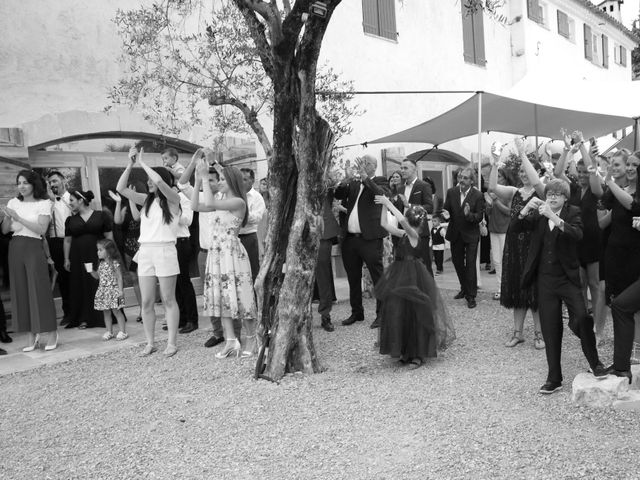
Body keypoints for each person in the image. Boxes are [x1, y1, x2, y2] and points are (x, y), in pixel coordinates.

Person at [514, 179, 606, 394]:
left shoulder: (573, 211)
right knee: (550, 327)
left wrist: (554, 217)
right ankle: (554, 377)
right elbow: (515, 228)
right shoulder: (538, 212)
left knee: (582, 318)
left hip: (567, 277)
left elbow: (578, 234)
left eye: (557, 194)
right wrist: (524, 210)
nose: (552, 197)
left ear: (565, 197)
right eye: (550, 194)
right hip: (545, 279)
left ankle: (595, 364)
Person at [373, 195, 455, 368]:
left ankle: (418, 353)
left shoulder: (413, 235)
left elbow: (401, 221)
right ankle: (405, 351)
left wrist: (388, 204)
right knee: (399, 311)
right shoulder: (404, 234)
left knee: (415, 313)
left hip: (413, 276)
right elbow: (384, 225)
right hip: (400, 274)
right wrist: (383, 206)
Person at [117, 147, 181, 357]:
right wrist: (131, 163)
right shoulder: (146, 201)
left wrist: (144, 163)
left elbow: (162, 183)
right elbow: (121, 188)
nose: (150, 181)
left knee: (168, 298)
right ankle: (150, 342)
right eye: (148, 179)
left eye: (151, 178)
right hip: (146, 251)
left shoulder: (173, 200)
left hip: (165, 250)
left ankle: (171, 342)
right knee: (146, 301)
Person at [192, 151, 257, 358]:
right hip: (217, 253)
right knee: (222, 297)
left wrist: (205, 175)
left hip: (232, 253)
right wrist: (196, 182)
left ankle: (252, 337)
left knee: (241, 295)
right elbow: (195, 206)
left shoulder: (238, 202)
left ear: (230, 182)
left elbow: (210, 203)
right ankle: (231, 341)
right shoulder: (221, 199)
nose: (218, 182)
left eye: (221, 180)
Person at [489, 138, 545, 349]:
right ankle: (518, 333)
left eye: (526, 170)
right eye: (520, 171)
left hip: (534, 246)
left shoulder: (542, 191)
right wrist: (495, 163)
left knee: (535, 292)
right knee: (518, 290)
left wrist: (523, 155)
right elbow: (493, 187)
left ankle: (539, 335)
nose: (523, 174)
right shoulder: (514, 192)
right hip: (515, 246)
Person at [179, 155, 239, 347]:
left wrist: (214, 165)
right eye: (212, 179)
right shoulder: (204, 198)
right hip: (206, 253)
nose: (213, 183)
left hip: (227, 254)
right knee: (212, 295)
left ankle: (236, 334)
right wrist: (197, 175)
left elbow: (231, 180)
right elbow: (184, 187)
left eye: (216, 180)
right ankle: (218, 332)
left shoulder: (229, 198)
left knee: (231, 294)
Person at [554, 131, 605, 343]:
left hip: (593, 242)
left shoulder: (596, 188)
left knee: (595, 284)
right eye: (580, 171)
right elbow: (558, 173)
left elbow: (592, 173)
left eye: (586, 171)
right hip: (577, 241)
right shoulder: (573, 188)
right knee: (580, 284)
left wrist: (582, 146)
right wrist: (567, 150)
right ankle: (584, 324)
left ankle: (598, 328)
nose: (583, 175)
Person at [1, 170, 58, 351]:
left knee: (39, 290)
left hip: (33, 247)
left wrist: (18, 217)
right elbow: (4, 231)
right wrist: (8, 218)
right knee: (21, 291)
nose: (22, 186)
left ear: (34, 184)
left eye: (25, 182)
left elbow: (41, 229)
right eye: (19, 183)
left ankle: (51, 332)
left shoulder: (44, 203)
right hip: (15, 247)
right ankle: (32, 335)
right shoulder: (13, 202)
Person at [334, 155, 389, 328]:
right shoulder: (354, 183)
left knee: (377, 277)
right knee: (353, 277)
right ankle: (356, 312)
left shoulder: (380, 181)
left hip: (370, 238)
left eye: (366, 163)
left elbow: (381, 195)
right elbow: (338, 194)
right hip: (350, 239)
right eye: (362, 163)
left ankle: (382, 314)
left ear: (374, 166)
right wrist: (346, 179)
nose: (362, 166)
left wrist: (366, 178)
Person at [63, 190, 113, 329]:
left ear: (80, 200)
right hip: (78, 257)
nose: (70, 203)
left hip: (98, 255)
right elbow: (67, 241)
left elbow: (109, 237)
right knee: (81, 285)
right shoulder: (71, 220)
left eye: (72, 200)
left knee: (98, 283)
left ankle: (104, 316)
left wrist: (110, 255)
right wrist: (66, 259)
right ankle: (83, 318)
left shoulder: (101, 215)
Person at [442, 166, 485, 308]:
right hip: (455, 233)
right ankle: (464, 288)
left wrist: (468, 215)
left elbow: (479, 217)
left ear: (472, 181)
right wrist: (446, 214)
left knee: (471, 264)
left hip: (471, 234)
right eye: (460, 177)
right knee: (458, 262)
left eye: (465, 178)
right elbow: (446, 209)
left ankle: (471, 296)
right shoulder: (451, 192)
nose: (461, 180)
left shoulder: (478, 195)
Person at [109, 186, 145, 323]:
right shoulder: (125, 207)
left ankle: (151, 308)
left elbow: (139, 218)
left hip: (144, 247)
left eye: (133, 189)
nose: (131, 192)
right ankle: (142, 309)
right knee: (135, 279)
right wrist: (118, 202)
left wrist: (132, 199)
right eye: (129, 190)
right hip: (129, 248)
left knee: (149, 278)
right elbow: (117, 221)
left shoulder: (146, 204)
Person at [46, 171, 73, 326]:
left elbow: (77, 211)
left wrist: (61, 200)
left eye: (55, 181)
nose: (53, 184)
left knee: (74, 278)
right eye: (50, 182)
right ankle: (67, 313)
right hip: (55, 242)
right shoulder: (49, 202)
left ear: (63, 181)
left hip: (71, 241)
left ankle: (80, 311)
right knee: (62, 280)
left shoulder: (71, 198)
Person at [90, 238, 127, 341]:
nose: (98, 252)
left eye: (100, 250)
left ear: (109, 251)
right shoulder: (101, 264)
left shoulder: (115, 263)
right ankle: (109, 331)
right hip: (103, 291)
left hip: (114, 291)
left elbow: (119, 277)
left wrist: (120, 291)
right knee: (106, 312)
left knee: (117, 311)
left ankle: (123, 331)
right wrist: (91, 271)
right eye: (98, 250)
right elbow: (97, 276)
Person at [485, 166, 513, 300]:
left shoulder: (509, 192)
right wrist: (489, 205)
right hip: (494, 228)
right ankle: (500, 287)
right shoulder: (493, 192)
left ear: (505, 178)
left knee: (505, 260)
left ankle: (508, 288)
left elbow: (509, 212)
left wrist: (496, 201)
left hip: (505, 229)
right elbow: (489, 213)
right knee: (496, 261)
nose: (497, 179)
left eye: (500, 177)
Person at [173, 184, 198, 334]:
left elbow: (188, 220)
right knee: (174, 284)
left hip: (181, 242)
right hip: (168, 243)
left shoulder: (182, 198)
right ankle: (180, 318)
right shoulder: (158, 201)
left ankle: (192, 319)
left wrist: (174, 209)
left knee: (184, 281)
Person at [315, 187, 341, 332]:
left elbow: (334, 193)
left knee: (323, 275)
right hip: (300, 231)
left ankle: (325, 315)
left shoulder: (326, 183)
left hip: (324, 233)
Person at [239, 168, 266, 282]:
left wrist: (241, 213)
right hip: (234, 237)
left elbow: (257, 218)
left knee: (252, 270)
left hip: (248, 237)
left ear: (252, 180)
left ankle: (255, 298)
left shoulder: (257, 197)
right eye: (240, 179)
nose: (241, 182)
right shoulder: (233, 194)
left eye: (245, 179)